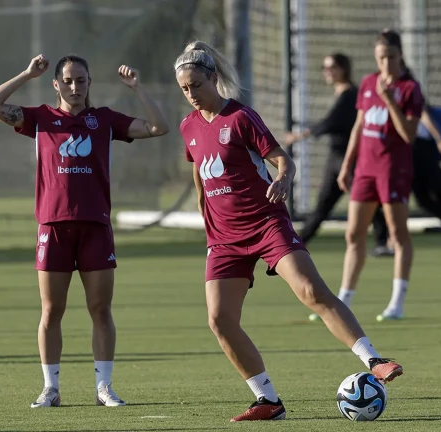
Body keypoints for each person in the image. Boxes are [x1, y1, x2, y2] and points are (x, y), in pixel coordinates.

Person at [175, 40, 403, 422]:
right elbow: (200, 180)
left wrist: (283, 179)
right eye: (184, 88)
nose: (191, 94)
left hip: (266, 223)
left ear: (213, 78)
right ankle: (267, 401)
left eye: (196, 85)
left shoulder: (242, 117)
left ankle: (374, 359)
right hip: (224, 239)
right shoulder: (188, 127)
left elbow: (282, 159)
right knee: (219, 321)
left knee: (311, 290)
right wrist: (209, 229)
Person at [0, 54, 170, 407]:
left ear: (89, 83)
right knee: (52, 312)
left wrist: (137, 87)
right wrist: (26, 73)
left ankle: (104, 388)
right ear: (56, 84)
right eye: (67, 81)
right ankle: (50, 389)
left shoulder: (105, 120)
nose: (74, 87)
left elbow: (159, 127)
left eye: (80, 80)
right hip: (53, 228)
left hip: (96, 227)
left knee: (100, 310)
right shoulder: (39, 118)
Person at [336, 29, 423, 322]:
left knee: (397, 234)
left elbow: (409, 134)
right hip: (365, 170)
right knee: (353, 233)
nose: (385, 63)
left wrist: (390, 101)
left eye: (391, 57)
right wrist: (347, 165)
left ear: (400, 56)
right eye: (381, 57)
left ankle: (397, 301)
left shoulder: (410, 88)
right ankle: (344, 298)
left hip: (393, 170)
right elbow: (359, 127)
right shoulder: (368, 83)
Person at [284, 54, 391, 250]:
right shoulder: (342, 94)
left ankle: (383, 241)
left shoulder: (351, 95)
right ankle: (296, 243)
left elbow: (330, 123)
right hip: (335, 158)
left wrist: (299, 136)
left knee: (367, 200)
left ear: (343, 69)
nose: (327, 72)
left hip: (349, 158)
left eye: (331, 67)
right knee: (323, 205)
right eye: (325, 68)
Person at [371, 103, 441, 255]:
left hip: (415, 149)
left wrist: (439, 139)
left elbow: (422, 114)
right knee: (416, 197)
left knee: (413, 196)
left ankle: (392, 242)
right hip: (407, 148)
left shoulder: (405, 89)